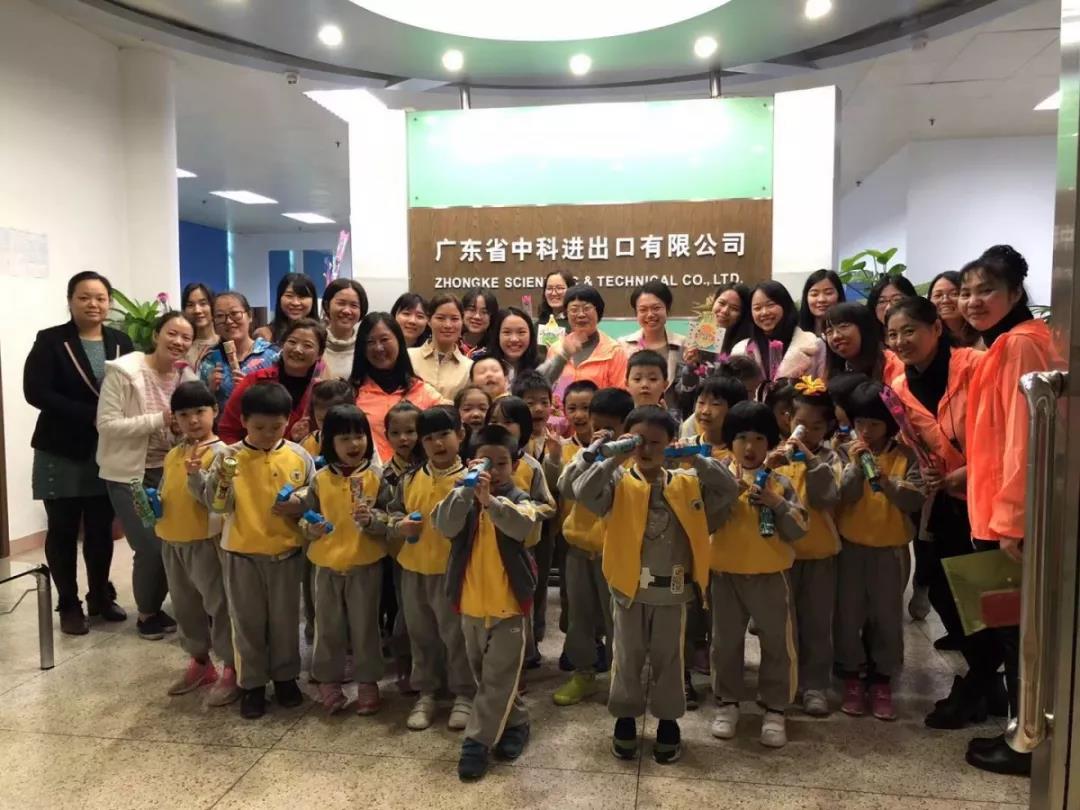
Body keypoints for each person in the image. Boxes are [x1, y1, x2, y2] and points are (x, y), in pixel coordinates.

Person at [574, 406, 740, 763]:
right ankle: (625, 717)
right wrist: (613, 458)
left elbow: (729, 489)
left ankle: (668, 720)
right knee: (626, 657)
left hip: (673, 591)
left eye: (655, 442)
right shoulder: (619, 482)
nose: (646, 449)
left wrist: (696, 460)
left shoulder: (686, 482)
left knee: (670, 659)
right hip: (627, 589)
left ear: (670, 443)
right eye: (638, 441)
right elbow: (582, 492)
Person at [959, 244, 1054, 776]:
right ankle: (1019, 729)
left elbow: (1025, 438)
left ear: (1016, 293)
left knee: (1019, 635)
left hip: (1007, 520)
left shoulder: (1020, 344)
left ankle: (1027, 743)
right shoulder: (1004, 343)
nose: (973, 301)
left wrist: (1014, 520)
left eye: (986, 290)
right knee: (1006, 628)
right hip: (992, 511)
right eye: (966, 291)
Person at [885, 296, 990, 728]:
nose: (900, 341)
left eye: (909, 330)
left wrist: (973, 470)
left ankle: (981, 684)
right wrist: (929, 468)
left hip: (987, 494)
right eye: (893, 334)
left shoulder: (975, 366)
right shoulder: (900, 386)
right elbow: (919, 442)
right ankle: (984, 679)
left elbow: (1003, 429)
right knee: (946, 591)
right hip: (946, 499)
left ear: (936, 328)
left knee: (984, 596)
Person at [24, 270, 133, 635]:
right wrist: (90, 415)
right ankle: (68, 603)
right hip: (61, 449)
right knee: (63, 529)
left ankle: (100, 595)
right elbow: (36, 392)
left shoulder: (121, 341)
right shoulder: (52, 340)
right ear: (70, 301)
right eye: (84, 297)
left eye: (100, 298)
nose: (93, 304)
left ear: (109, 302)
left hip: (107, 450)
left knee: (101, 528)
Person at [434, 424, 543, 781]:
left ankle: (476, 743)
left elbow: (522, 528)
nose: (493, 471)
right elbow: (443, 526)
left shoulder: (520, 499)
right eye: (485, 463)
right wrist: (465, 492)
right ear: (471, 463)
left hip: (509, 607)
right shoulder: (461, 496)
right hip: (470, 605)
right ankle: (517, 722)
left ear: (514, 465)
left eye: (501, 464)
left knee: (498, 678)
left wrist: (491, 502)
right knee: (487, 677)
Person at [202, 382, 315, 720]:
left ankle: (285, 678)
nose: (268, 434)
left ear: (288, 421)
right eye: (259, 427)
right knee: (247, 622)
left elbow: (314, 492)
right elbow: (216, 504)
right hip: (241, 553)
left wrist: (300, 501)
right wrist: (222, 481)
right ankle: (251, 684)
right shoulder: (227, 456)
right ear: (243, 421)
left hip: (286, 553)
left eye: (276, 427)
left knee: (285, 621)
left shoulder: (298, 456)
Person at [708, 401, 808, 749]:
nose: (749, 447)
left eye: (759, 439)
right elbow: (703, 522)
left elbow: (800, 529)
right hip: (725, 574)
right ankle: (727, 703)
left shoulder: (781, 482)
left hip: (770, 575)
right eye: (741, 438)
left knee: (777, 643)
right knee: (725, 642)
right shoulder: (718, 479)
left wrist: (776, 503)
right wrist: (728, 495)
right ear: (729, 441)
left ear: (771, 442)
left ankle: (775, 708)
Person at [371, 406, 475, 732]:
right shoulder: (410, 478)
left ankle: (464, 693)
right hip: (414, 570)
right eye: (429, 438)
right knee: (421, 634)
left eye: (444, 435)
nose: (437, 444)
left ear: (460, 435)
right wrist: (399, 525)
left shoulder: (470, 480)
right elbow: (391, 513)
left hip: (454, 572)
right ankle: (426, 692)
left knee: (457, 636)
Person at [96, 311, 195, 640]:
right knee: (149, 545)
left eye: (186, 337)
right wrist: (159, 419)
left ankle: (156, 606)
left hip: (170, 472)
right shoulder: (124, 372)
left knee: (170, 542)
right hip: (131, 475)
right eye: (172, 333)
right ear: (156, 335)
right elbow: (106, 425)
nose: (178, 341)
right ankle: (147, 614)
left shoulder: (185, 377)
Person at [836, 380, 926, 722]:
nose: (866, 431)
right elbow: (841, 497)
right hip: (849, 548)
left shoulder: (906, 455)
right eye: (860, 422)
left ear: (889, 424)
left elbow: (914, 499)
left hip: (890, 550)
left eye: (874, 423)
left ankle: (882, 679)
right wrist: (855, 467)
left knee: (887, 617)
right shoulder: (843, 451)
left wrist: (886, 482)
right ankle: (851, 674)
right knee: (848, 614)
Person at [549, 386, 633, 708]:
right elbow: (566, 487)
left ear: (626, 425)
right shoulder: (584, 454)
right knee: (579, 617)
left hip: (616, 553)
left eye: (611, 428)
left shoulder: (634, 459)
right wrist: (593, 455)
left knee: (618, 620)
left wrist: (615, 457)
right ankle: (583, 673)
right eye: (598, 427)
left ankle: (621, 676)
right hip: (579, 549)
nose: (602, 433)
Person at [156, 380, 237, 706]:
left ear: (215, 411)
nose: (192, 420)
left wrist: (195, 477)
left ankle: (232, 665)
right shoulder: (174, 454)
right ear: (174, 418)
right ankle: (200, 662)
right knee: (184, 606)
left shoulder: (223, 454)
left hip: (206, 540)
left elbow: (218, 501)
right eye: (183, 414)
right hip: (172, 539)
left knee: (219, 605)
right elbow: (166, 490)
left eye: (200, 411)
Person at [302, 404, 386, 716]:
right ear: (329, 442)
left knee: (366, 627)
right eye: (344, 438)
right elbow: (305, 517)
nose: (354, 444)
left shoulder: (377, 477)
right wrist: (310, 528)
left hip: (365, 564)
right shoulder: (320, 479)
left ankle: (368, 682)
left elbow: (390, 516)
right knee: (328, 627)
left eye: (359, 436)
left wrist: (374, 519)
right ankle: (328, 681)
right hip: (326, 565)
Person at [769, 377, 842, 717]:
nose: (808, 432)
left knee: (816, 624)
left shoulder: (830, 458)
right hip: (782, 555)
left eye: (817, 427)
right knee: (784, 624)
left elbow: (828, 497)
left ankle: (815, 685)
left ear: (827, 428)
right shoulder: (776, 453)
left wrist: (811, 460)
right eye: (801, 424)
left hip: (820, 554)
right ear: (787, 419)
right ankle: (786, 681)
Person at [350, 313, 446, 463]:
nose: (378, 347)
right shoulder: (352, 394)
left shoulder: (423, 391)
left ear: (399, 341)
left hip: (418, 474)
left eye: (384, 339)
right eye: (370, 342)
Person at [218, 318, 326, 445]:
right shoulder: (255, 381)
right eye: (292, 342)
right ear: (282, 345)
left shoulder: (321, 392)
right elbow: (228, 431)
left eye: (307, 345)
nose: (297, 349)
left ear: (319, 354)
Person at [382, 401, 425, 694]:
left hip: (433, 552)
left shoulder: (431, 466)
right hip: (400, 555)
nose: (404, 438)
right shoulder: (384, 473)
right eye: (395, 433)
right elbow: (382, 513)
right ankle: (405, 665)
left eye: (411, 431)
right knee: (405, 612)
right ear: (386, 435)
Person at [540, 285, 629, 395]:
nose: (581, 315)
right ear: (566, 314)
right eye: (574, 310)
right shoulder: (556, 349)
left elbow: (620, 396)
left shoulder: (614, 352)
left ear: (598, 312)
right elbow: (546, 388)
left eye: (587, 308)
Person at [199, 290, 280, 410]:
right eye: (220, 316)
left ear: (249, 315)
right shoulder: (210, 360)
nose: (228, 321)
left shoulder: (272, 354)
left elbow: (284, 400)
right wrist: (210, 390)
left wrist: (252, 391)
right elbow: (200, 408)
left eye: (235, 313)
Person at [731, 281, 824, 381]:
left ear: (785, 305)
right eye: (757, 308)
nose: (764, 312)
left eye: (770, 305)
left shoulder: (814, 344)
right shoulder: (741, 350)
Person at [619, 280, 686, 387]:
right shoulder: (622, 346)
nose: (650, 314)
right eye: (643, 310)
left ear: (667, 309)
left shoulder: (684, 344)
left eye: (656, 308)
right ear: (636, 313)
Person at [408, 294, 472, 401]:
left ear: (462, 322)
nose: (448, 325)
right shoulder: (408, 357)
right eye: (440, 318)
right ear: (429, 321)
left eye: (454, 319)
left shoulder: (469, 368)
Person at [824, 302, 901, 383]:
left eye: (843, 327)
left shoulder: (894, 365)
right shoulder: (833, 372)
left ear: (864, 328)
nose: (835, 336)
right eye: (829, 331)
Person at [321, 279, 369, 380]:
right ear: (327, 305)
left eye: (354, 305)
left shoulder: (367, 346)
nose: (347, 311)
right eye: (341, 303)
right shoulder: (315, 342)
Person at [298, 378, 356, 460]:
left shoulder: (359, 442)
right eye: (321, 420)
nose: (327, 426)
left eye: (333, 420)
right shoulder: (309, 443)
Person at [254, 272, 318, 343]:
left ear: (313, 300)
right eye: (289, 296)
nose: (295, 303)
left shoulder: (323, 334)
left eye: (302, 297)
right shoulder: (264, 335)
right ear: (279, 299)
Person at [928, 271, 980, 348]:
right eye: (938, 295)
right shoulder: (929, 339)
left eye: (954, 294)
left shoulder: (986, 332)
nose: (945, 300)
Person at [488, 307, 540, 380]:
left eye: (521, 332)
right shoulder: (483, 367)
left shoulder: (541, 369)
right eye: (507, 332)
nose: (514, 339)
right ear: (497, 335)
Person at [798, 270, 846, 337]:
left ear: (839, 295)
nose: (821, 299)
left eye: (828, 293)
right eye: (814, 294)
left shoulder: (850, 331)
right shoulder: (794, 332)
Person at [181, 282, 219, 366]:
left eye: (203, 303)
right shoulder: (182, 347)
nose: (197, 310)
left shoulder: (225, 343)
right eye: (190, 305)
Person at [461, 287, 499, 357]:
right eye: (472, 310)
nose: (477, 316)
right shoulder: (451, 344)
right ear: (462, 312)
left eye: (484, 312)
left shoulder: (497, 350)